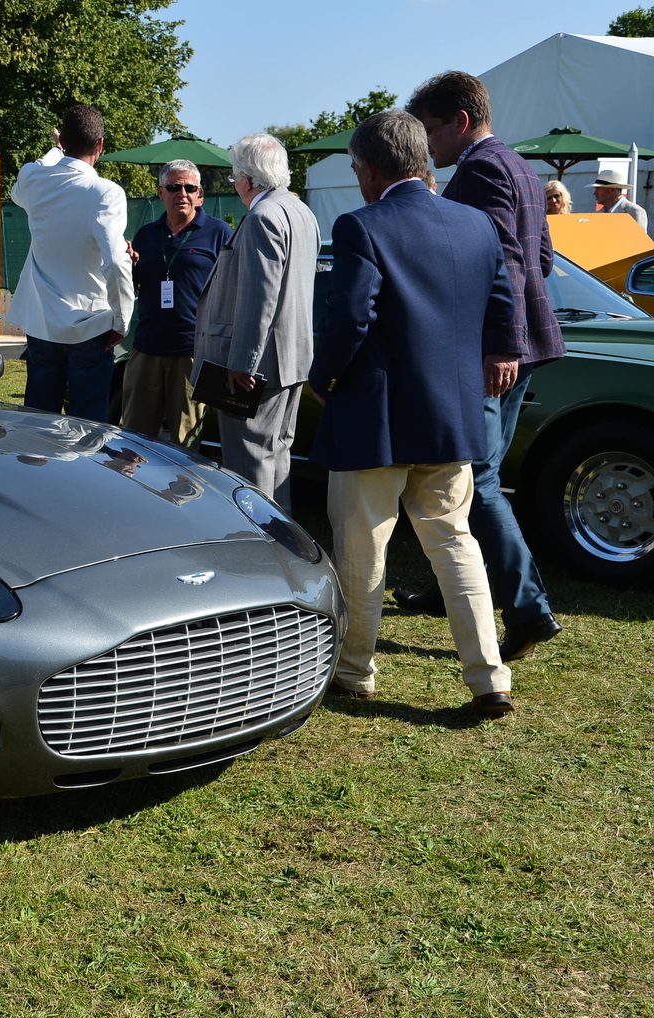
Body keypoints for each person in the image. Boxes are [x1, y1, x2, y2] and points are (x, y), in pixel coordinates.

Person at [310, 110, 516, 717]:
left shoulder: (361, 226)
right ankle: (489, 676)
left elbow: (350, 317)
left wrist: (323, 379)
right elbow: (502, 309)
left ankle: (353, 671)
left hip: (375, 417)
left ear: (370, 168)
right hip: (451, 416)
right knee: (455, 542)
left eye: (355, 169)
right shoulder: (477, 225)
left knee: (361, 546)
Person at [403, 71, 565, 661]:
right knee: (471, 476)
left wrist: (500, 343)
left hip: (497, 352)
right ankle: (456, 587)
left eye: (428, 132)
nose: (425, 148)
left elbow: (500, 264)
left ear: (460, 123)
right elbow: (541, 261)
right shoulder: (520, 166)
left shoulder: (480, 170)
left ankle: (528, 609)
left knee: (480, 479)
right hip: (520, 346)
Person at [191, 133, 318, 508]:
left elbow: (258, 297)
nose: (235, 186)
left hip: (257, 366)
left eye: (233, 179)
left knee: (250, 461)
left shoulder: (263, 216)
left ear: (247, 180)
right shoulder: (300, 211)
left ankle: (261, 550)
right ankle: (281, 541)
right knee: (277, 455)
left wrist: (241, 362)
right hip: (290, 360)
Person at [7, 105, 135, 422]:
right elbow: (115, 263)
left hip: (41, 324)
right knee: (88, 428)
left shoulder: (33, 178)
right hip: (90, 325)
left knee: (38, 425)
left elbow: (20, 186)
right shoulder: (106, 192)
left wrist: (55, 150)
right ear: (100, 145)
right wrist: (122, 320)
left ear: (63, 140)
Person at [120, 159, 233, 448]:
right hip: (147, 348)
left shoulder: (219, 233)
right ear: (161, 193)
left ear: (200, 196)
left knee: (185, 445)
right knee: (133, 440)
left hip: (192, 353)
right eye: (173, 187)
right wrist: (128, 264)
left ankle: (183, 495)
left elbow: (233, 290)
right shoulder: (146, 234)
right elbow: (133, 286)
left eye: (189, 187)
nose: (181, 193)